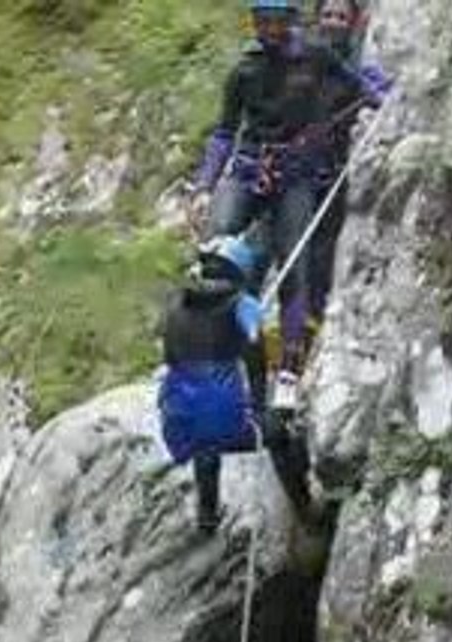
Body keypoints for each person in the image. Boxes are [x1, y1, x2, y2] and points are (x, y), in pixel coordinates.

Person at [189, 0, 390, 411]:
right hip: (248, 171)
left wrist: (383, 96)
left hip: (295, 179)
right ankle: (240, 356)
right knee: (214, 256)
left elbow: (356, 86)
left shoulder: (316, 55)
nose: (270, 30)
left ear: (291, 21)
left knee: (293, 268)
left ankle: (289, 369)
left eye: (277, 21)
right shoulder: (244, 70)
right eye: (263, 22)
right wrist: (204, 186)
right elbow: (225, 132)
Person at [157, 230, 319, 535]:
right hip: (222, 422)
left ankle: (207, 518)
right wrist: (263, 408)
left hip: (177, 421)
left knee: (205, 443)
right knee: (280, 435)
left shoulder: (174, 304)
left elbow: (171, 357)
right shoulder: (242, 305)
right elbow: (256, 358)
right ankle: (305, 509)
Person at [309, 0, 392, 322]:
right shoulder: (300, 61)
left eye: (341, 17)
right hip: (293, 173)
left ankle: (312, 319)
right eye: (327, 15)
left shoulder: (357, 67)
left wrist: (376, 93)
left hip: (332, 170)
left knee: (321, 249)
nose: (333, 22)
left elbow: (383, 92)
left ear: (354, 23)